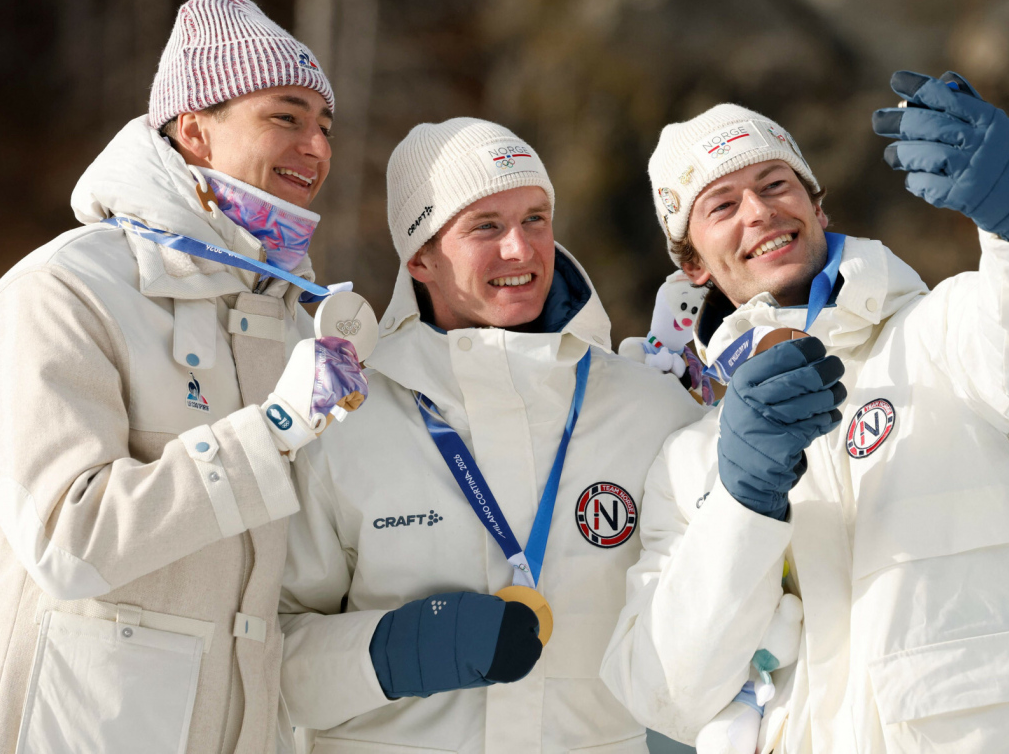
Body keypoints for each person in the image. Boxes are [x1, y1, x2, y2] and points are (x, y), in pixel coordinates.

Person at [600, 72, 1009, 753]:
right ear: (692, 262)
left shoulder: (940, 336)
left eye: (777, 184)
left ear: (819, 207)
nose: (758, 210)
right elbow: (665, 688)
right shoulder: (688, 460)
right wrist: (742, 502)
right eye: (721, 204)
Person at [0, 0, 366, 754]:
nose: (317, 147)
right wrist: (271, 432)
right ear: (195, 128)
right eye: (286, 116)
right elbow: (71, 541)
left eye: (326, 127)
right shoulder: (64, 291)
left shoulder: (290, 320)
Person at [278, 118, 707, 753]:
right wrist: (390, 653)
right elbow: (269, 656)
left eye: (536, 218)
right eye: (486, 226)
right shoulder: (346, 418)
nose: (522, 249)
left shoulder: (648, 409)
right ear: (419, 256)